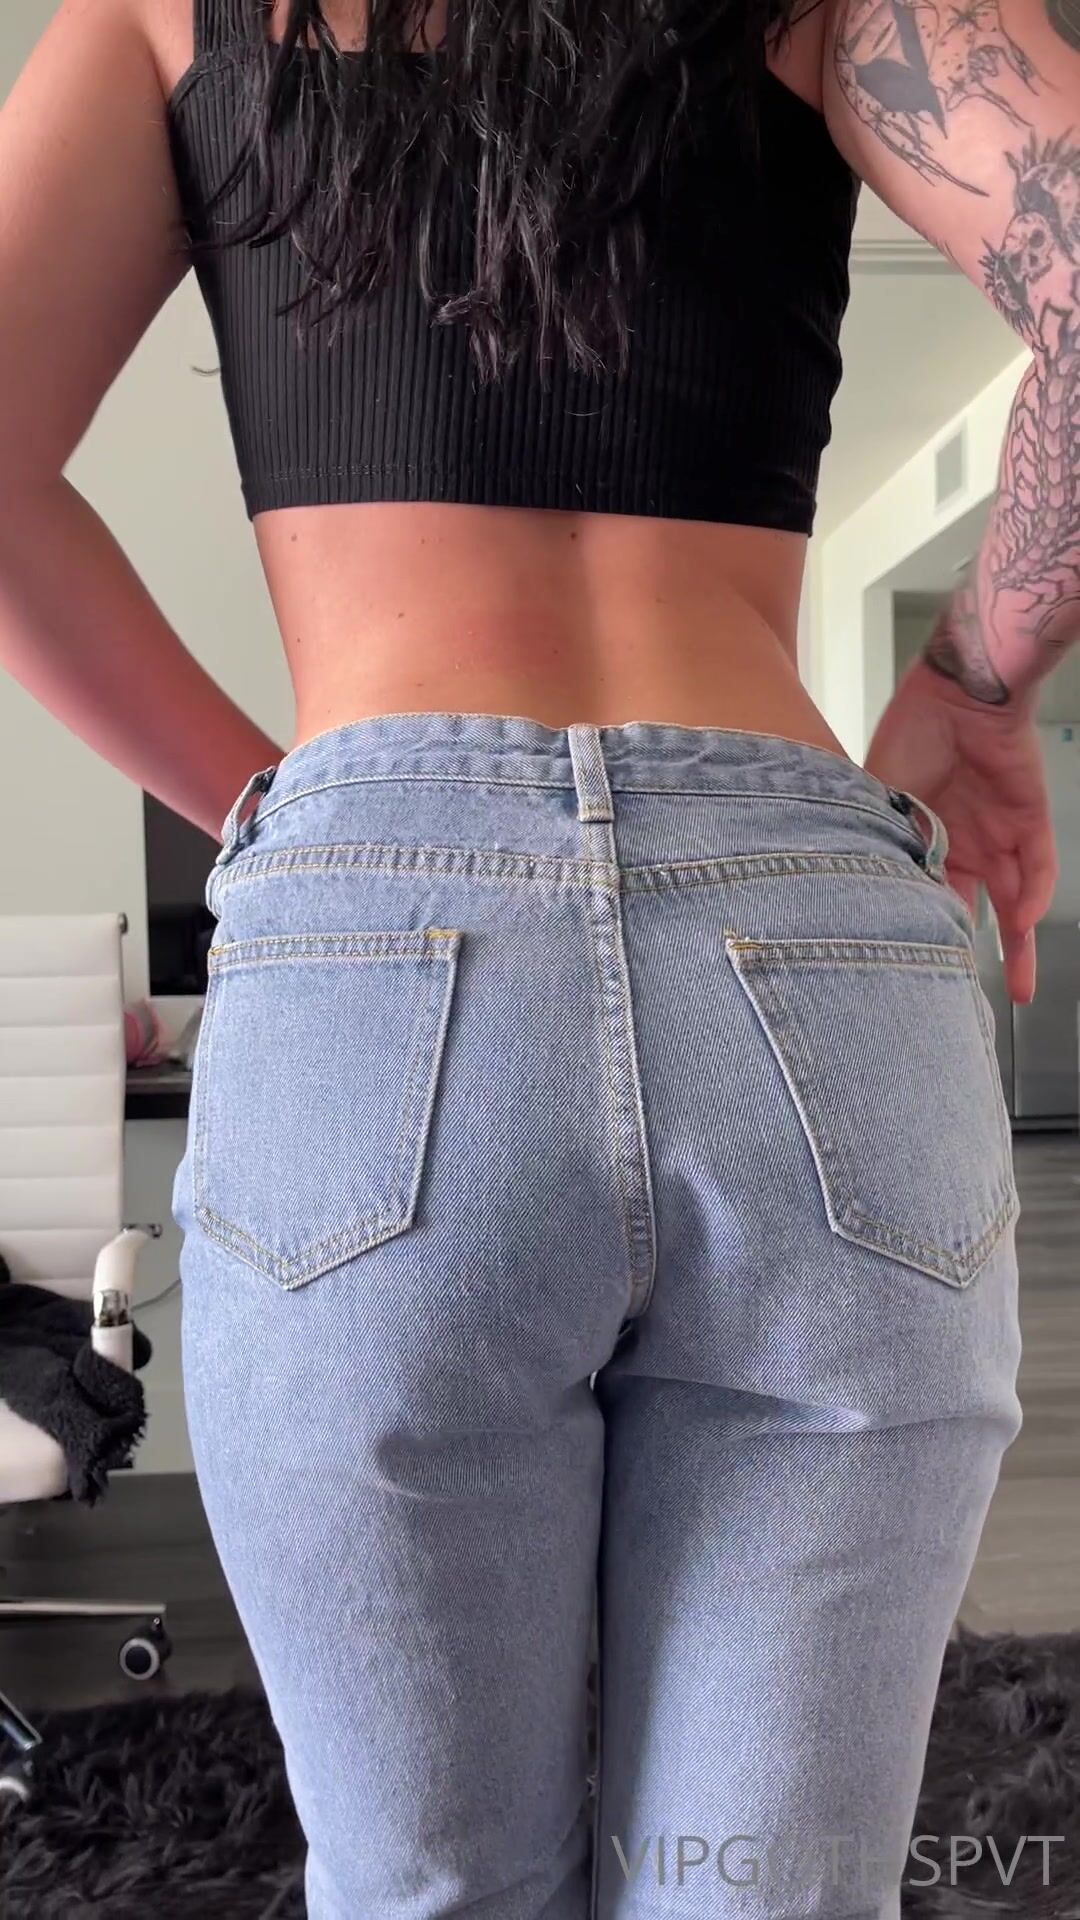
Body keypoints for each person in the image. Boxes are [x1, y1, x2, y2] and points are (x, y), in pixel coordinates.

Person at [0, 0, 1074, 1911]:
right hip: (806, 934)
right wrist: (973, 682)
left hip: (380, 968)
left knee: (428, 1885)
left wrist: (288, 817)